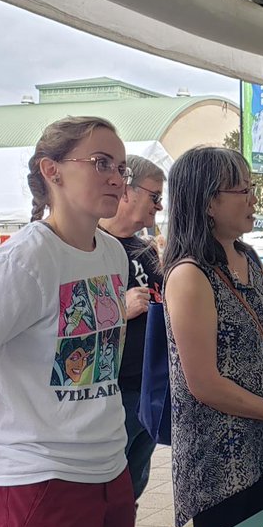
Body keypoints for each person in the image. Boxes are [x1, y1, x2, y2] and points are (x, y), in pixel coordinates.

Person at [0, 116, 135, 527]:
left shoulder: (113, 254)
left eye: (121, 168)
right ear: (51, 170)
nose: (116, 178)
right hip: (34, 478)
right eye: (101, 163)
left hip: (110, 467)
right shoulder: (21, 262)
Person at [162, 147, 263, 527]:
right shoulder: (190, 275)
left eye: (252, 188)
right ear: (209, 201)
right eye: (242, 190)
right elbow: (204, 384)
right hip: (218, 463)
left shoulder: (249, 258)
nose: (253, 199)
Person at [99, 154, 164, 502]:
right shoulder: (89, 245)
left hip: (150, 387)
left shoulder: (149, 251)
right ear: (127, 190)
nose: (159, 205)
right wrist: (119, 310)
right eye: (154, 196)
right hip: (113, 390)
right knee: (104, 494)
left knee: (131, 492)